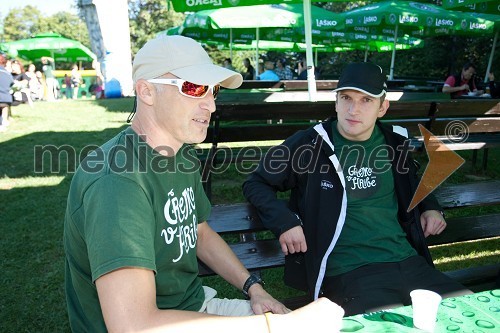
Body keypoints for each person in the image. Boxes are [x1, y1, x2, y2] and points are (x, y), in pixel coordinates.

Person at [63, 35, 344, 332]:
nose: (210, 104)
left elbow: (198, 231)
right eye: (194, 87)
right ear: (146, 91)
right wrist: (274, 327)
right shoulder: (118, 182)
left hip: (193, 309)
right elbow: (133, 325)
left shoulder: (180, 153)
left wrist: (254, 288)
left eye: (213, 90)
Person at [243, 62, 472, 317]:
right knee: (391, 325)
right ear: (336, 102)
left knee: (472, 311)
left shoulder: (393, 142)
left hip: (408, 261)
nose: (354, 109)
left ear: (382, 107)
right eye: (346, 98)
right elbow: (256, 182)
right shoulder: (310, 144)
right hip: (349, 272)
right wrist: (285, 221)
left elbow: (413, 181)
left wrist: (430, 207)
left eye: (366, 100)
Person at [0, 53, 14, 130]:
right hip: (6, 99)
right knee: (4, 105)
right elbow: (12, 84)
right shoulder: (7, 73)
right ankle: (4, 120)